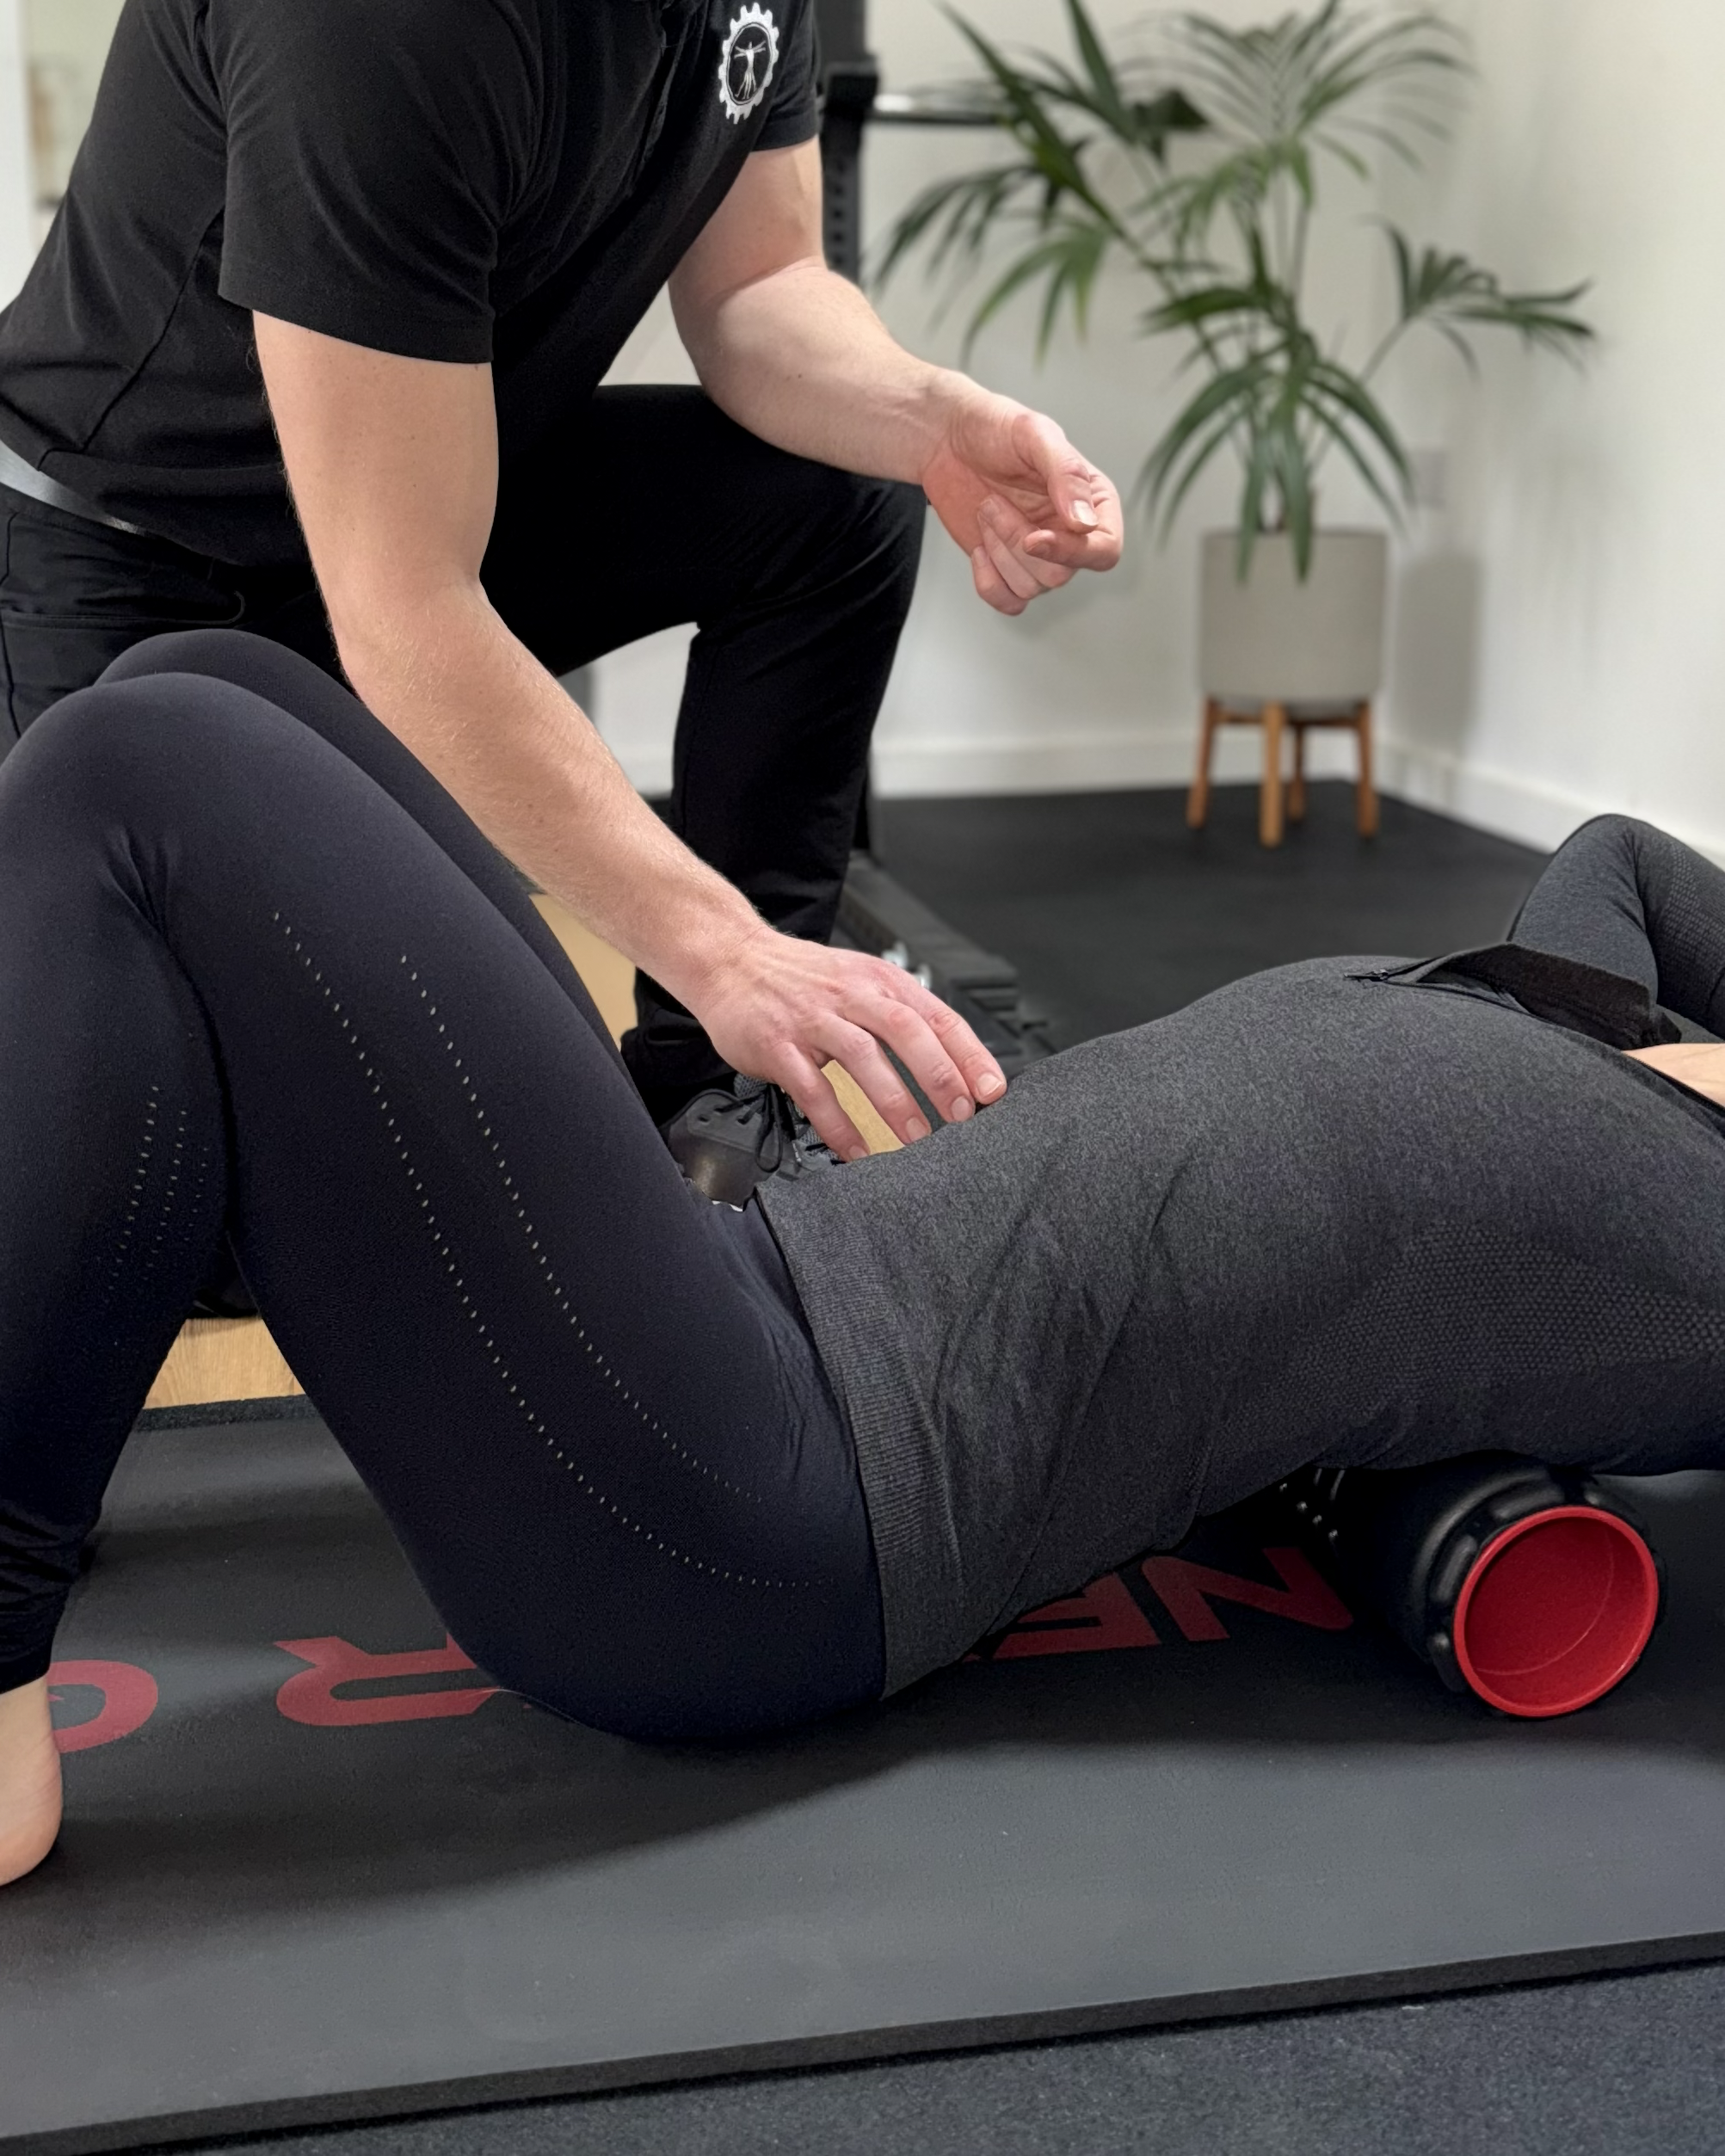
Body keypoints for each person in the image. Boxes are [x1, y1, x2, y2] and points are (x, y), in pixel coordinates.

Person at [5, 631, 1725, 1889]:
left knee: (138, 781)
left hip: (758, 1509)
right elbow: (1629, 862)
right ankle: (151, 1230)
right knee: (214, 675)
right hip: (747, 1287)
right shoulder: (1598, 1001)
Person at [0, 0, 1125, 1186]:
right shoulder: (377, 25)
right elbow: (407, 611)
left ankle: (717, 1091)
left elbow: (761, 287)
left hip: (416, 513)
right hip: (137, 558)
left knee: (843, 503)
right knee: (238, 1199)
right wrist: (720, 946)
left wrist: (930, 420)